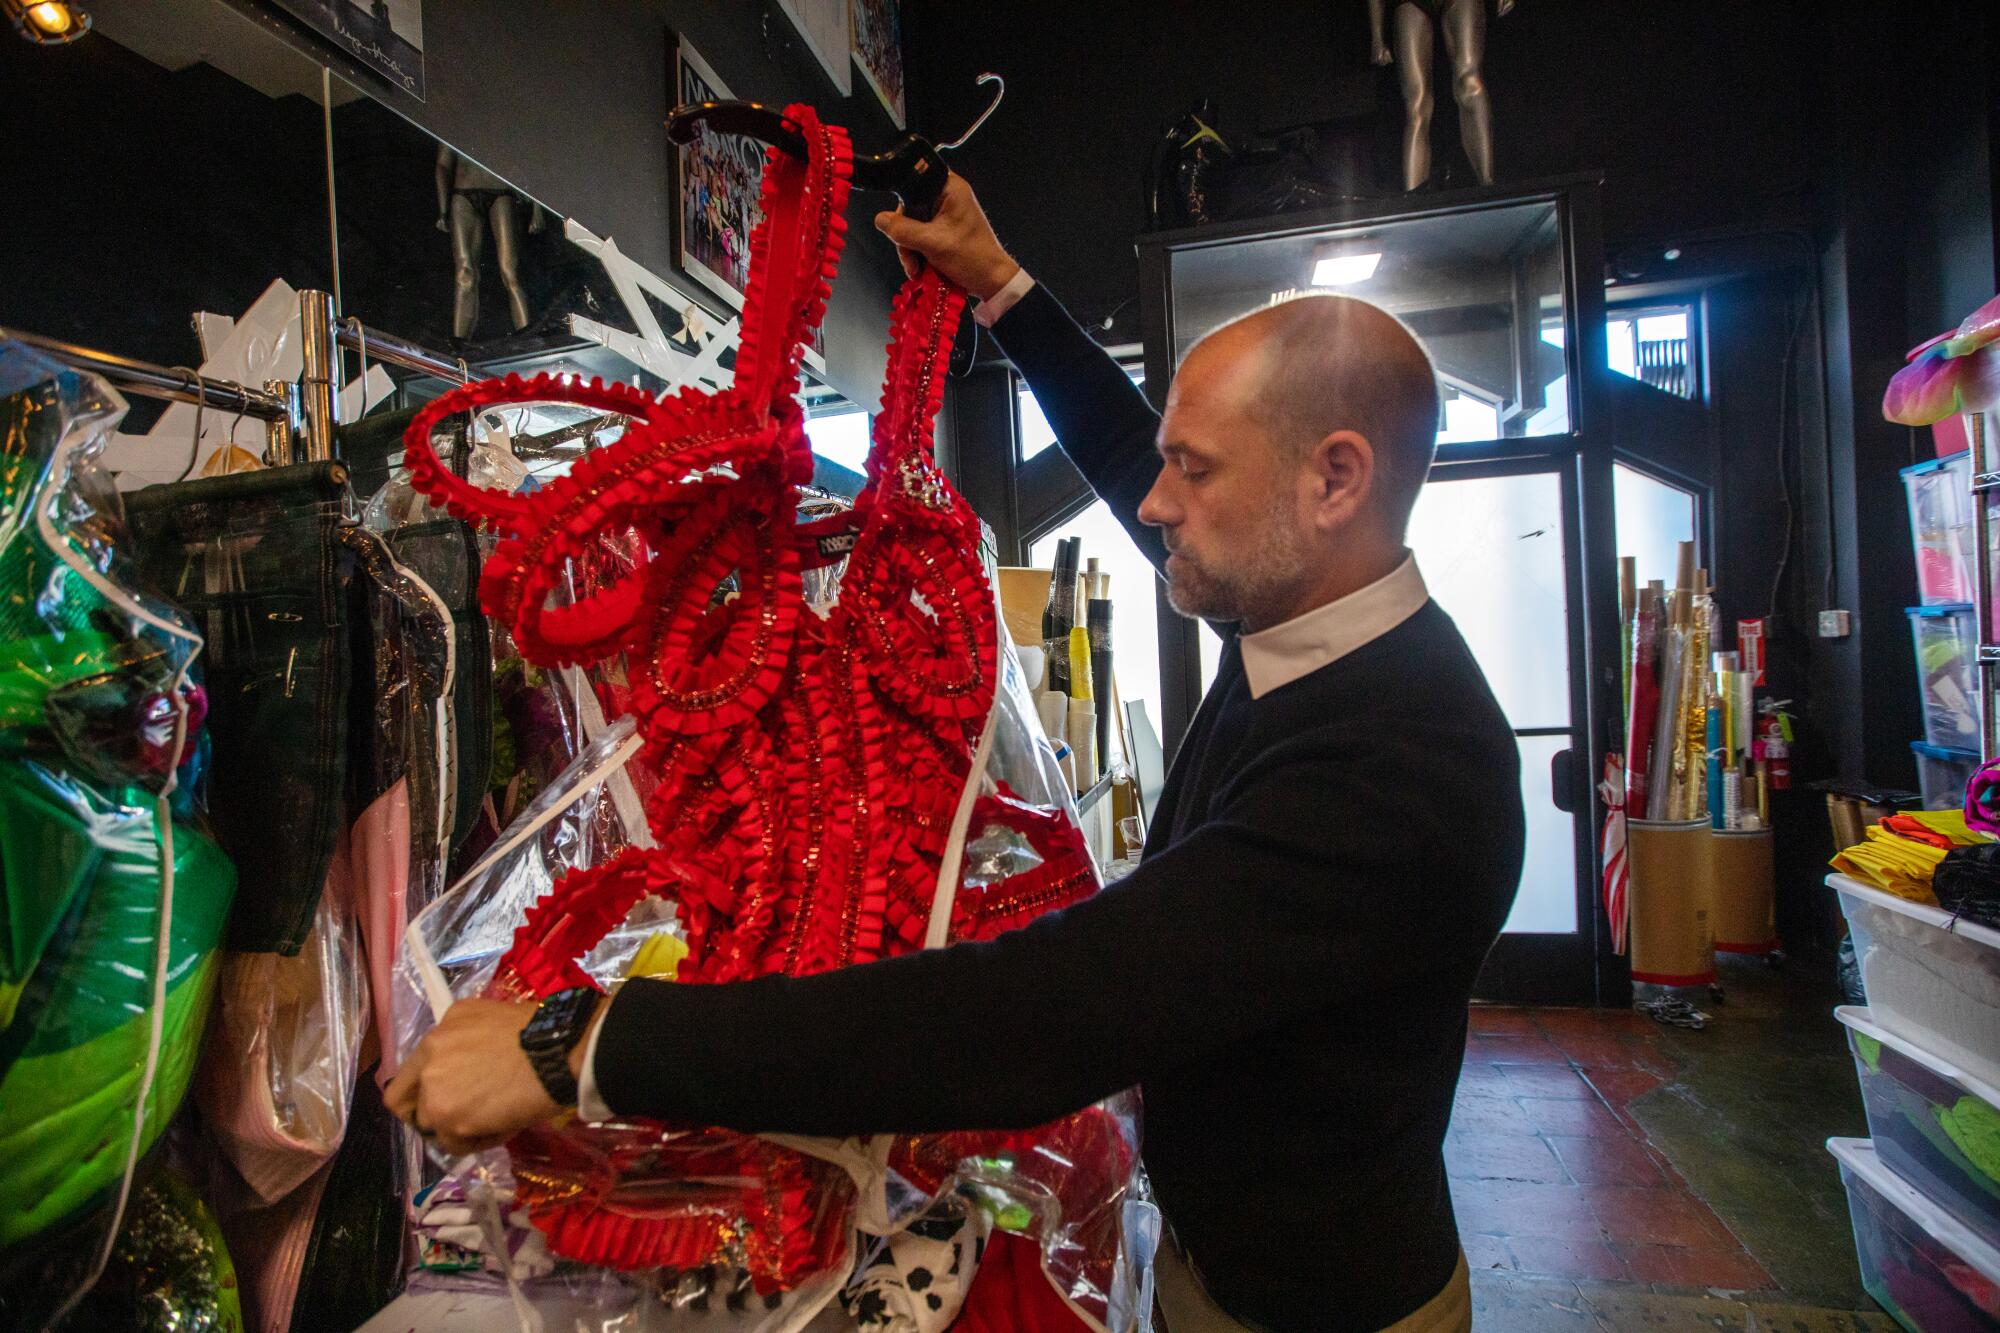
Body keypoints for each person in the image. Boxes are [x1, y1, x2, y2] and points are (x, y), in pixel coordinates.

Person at [387, 173, 1526, 1333]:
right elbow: (1135, 452)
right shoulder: (1301, 601)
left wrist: (585, 1038)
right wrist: (1000, 286)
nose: (1155, 503)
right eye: (1172, 463)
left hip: (1320, 1309)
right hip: (1220, 1264)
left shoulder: (1404, 772)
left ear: (1332, 479)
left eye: (1196, 471)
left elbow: (1038, 1017)